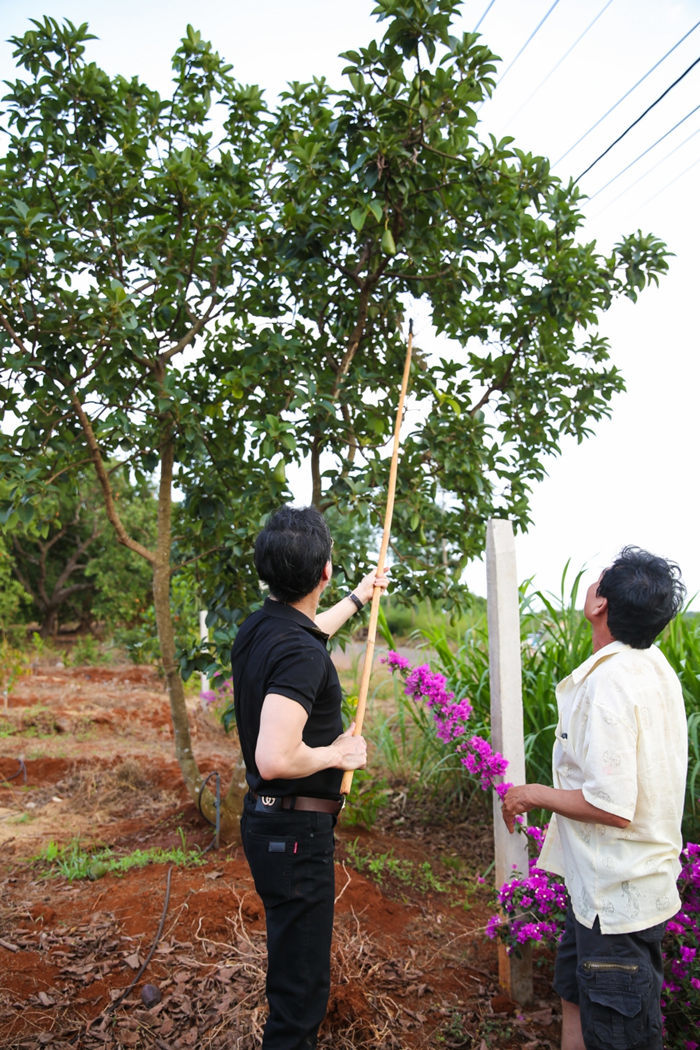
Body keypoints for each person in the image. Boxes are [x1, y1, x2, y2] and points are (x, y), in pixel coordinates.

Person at [501, 546, 687, 1050]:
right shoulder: (650, 664)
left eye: (600, 578)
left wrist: (533, 793)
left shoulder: (609, 684)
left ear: (599, 605)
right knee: (576, 1000)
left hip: (616, 900)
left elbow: (612, 806)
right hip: (603, 894)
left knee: (616, 1033)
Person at [231, 504, 388, 1050]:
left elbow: (305, 634)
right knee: (301, 998)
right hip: (295, 838)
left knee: (293, 975)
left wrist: (359, 597)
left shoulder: (260, 629)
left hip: (271, 827)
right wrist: (336, 753)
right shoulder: (299, 653)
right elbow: (276, 758)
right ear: (323, 571)